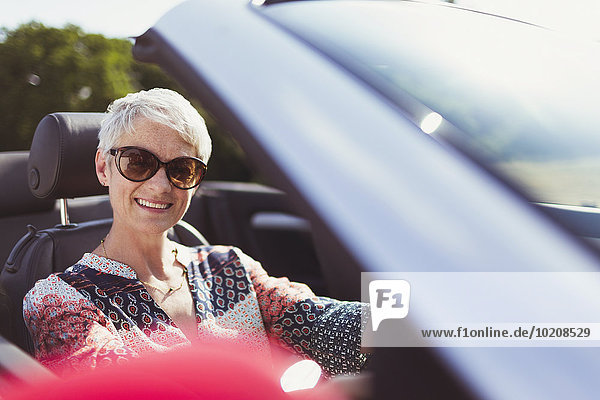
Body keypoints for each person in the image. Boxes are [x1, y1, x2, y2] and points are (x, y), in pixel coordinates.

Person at [23, 88, 368, 377]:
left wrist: (417, 307)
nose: (160, 186)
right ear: (103, 167)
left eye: (182, 169)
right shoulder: (61, 301)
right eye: (138, 162)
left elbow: (329, 325)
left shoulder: (230, 267)